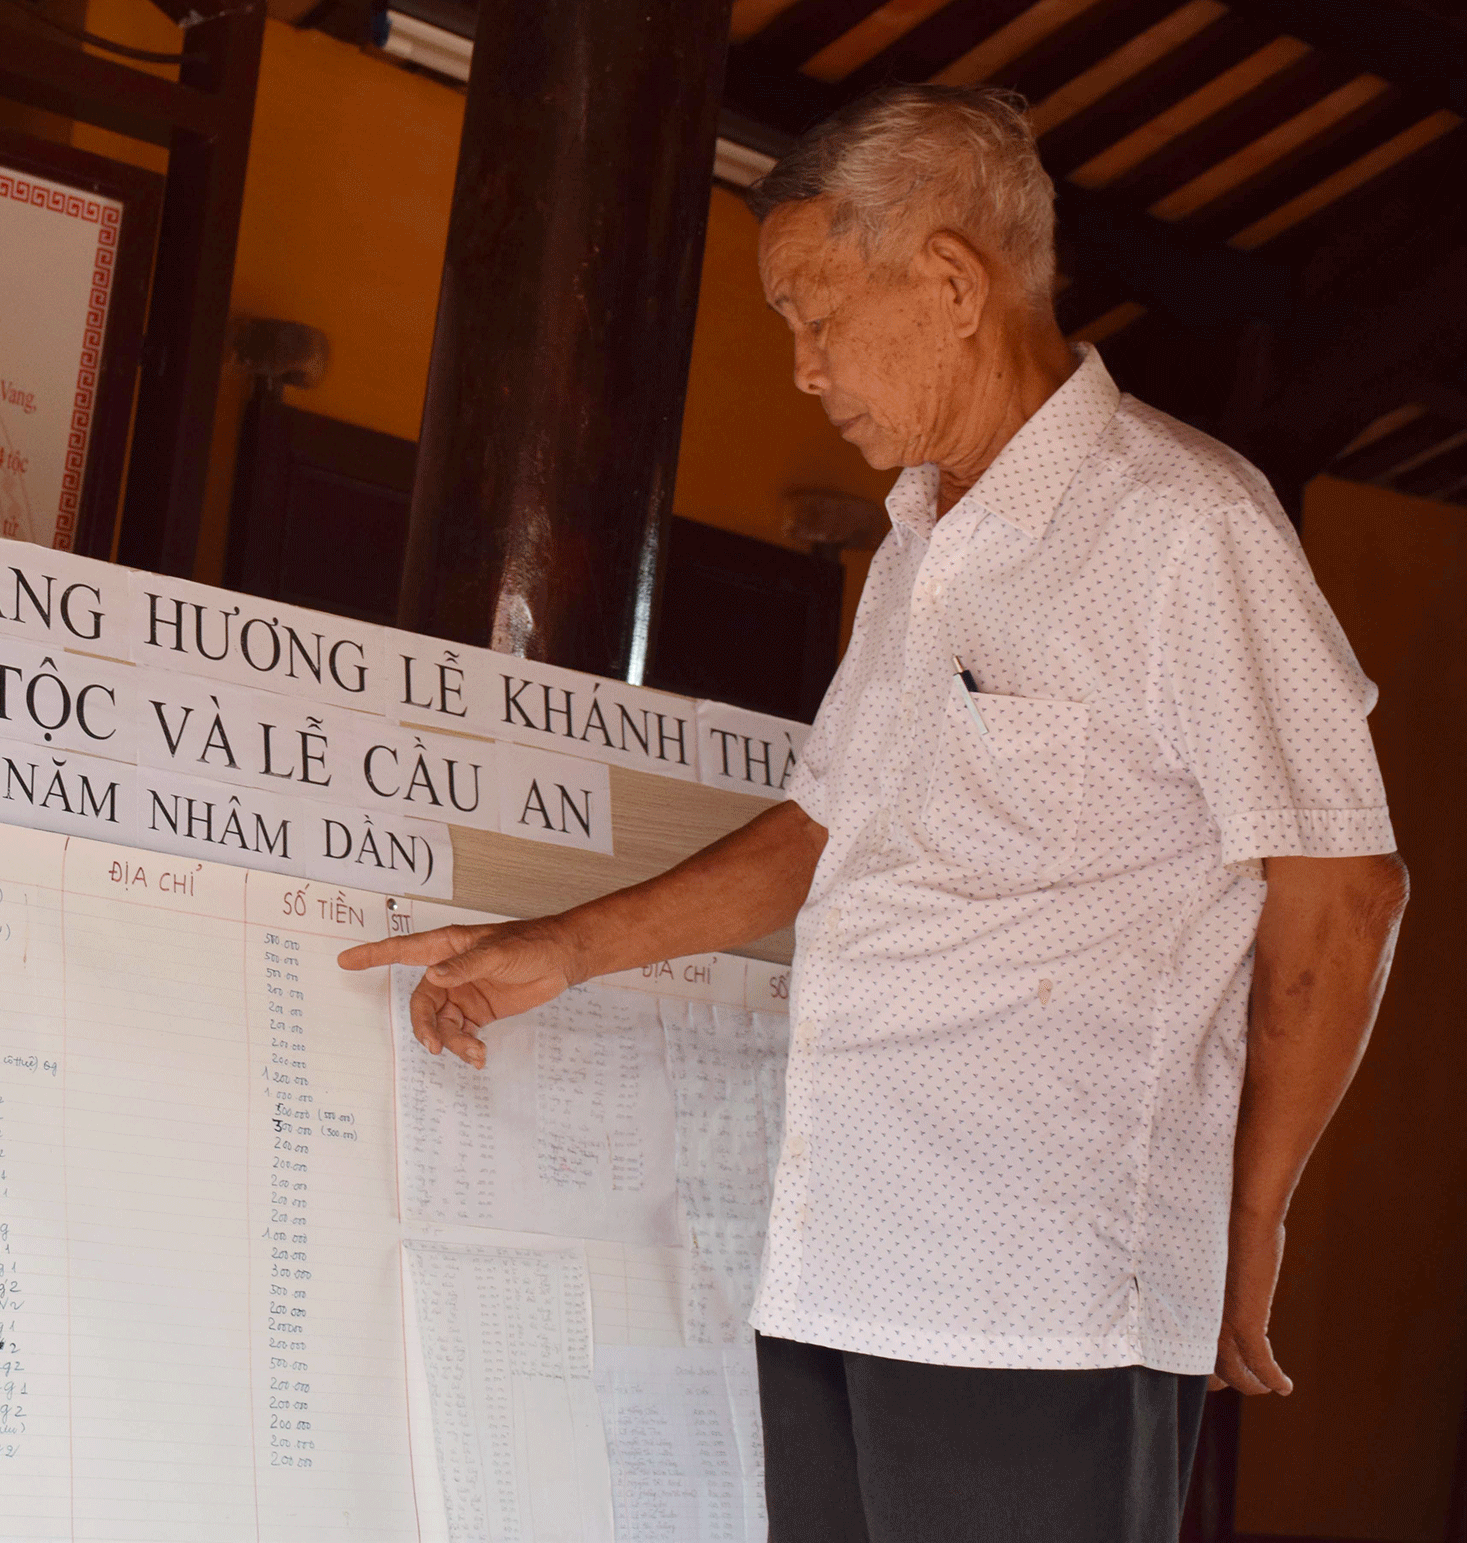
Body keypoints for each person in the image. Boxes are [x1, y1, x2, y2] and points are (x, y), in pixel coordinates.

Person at [342, 83, 1408, 1542]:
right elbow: (823, 831)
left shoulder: (1185, 527)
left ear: (954, 284)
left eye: (814, 312)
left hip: (1043, 1297)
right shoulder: (919, 542)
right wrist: (562, 950)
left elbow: (1342, 891)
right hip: (840, 1257)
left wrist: (1247, 1216)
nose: (799, 369)